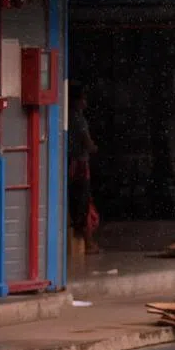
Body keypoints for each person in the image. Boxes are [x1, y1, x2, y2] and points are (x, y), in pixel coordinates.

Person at [68, 84, 100, 255]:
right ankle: (88, 243)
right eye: (84, 98)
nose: (86, 102)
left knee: (78, 202)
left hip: (72, 164)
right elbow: (87, 142)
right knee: (84, 202)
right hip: (80, 164)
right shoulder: (79, 119)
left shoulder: (69, 118)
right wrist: (94, 147)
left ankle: (85, 240)